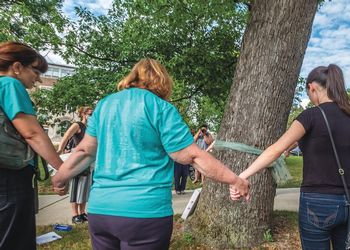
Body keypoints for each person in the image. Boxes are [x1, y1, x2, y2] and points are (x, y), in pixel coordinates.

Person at [52, 58, 249, 250]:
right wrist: (235, 180)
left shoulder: (104, 105)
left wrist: (60, 177)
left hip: (100, 210)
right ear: (162, 82)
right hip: (144, 213)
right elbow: (192, 156)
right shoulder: (160, 108)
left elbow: (85, 151)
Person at [230, 64, 350, 250]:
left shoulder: (311, 116)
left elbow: (275, 150)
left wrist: (242, 176)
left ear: (312, 87)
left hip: (318, 203)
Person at [0, 41, 63, 250]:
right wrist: (62, 169)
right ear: (17, 67)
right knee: (15, 239)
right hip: (10, 177)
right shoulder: (9, 84)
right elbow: (32, 133)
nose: (37, 78)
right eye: (35, 71)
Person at [57, 106, 93, 224]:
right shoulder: (77, 125)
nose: (92, 116)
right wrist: (60, 150)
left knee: (85, 187)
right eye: (90, 114)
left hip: (88, 161)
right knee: (75, 186)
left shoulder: (91, 128)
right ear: (83, 114)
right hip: (76, 160)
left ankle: (82, 213)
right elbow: (66, 136)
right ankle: (75, 214)